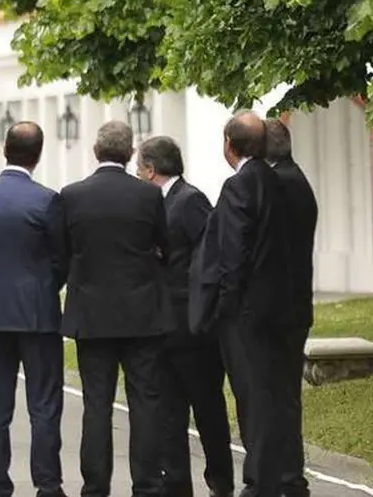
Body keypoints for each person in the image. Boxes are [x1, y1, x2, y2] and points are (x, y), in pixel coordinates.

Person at [60, 121, 171, 497]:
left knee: (97, 404)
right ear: (129, 154)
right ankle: (147, 485)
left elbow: (65, 250)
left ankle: (95, 487)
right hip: (141, 313)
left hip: (92, 314)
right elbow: (164, 245)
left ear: (96, 150)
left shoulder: (72, 195)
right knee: (145, 403)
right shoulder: (148, 196)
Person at [0, 121, 67, 497]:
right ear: (38, 154)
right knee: (43, 406)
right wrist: (43, 287)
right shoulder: (48, 200)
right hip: (37, 313)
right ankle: (48, 484)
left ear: (4, 149)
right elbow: (61, 259)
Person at [192, 110, 291, 497]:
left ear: (229, 145)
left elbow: (232, 254)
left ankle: (259, 480)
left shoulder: (238, 187)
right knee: (264, 394)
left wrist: (223, 307)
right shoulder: (275, 180)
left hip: (244, 313)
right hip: (273, 305)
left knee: (250, 397)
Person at [136, 136, 234, 497]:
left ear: (150, 169)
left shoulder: (189, 200)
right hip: (163, 326)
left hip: (192, 328)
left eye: (139, 168)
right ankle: (176, 485)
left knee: (207, 409)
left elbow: (209, 255)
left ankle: (220, 481)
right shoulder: (154, 204)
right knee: (169, 413)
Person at [264, 118, 318, 497]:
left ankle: (286, 475)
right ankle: (288, 474)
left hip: (277, 307)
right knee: (285, 395)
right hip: (295, 303)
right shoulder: (297, 180)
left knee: (277, 395)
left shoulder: (277, 186)